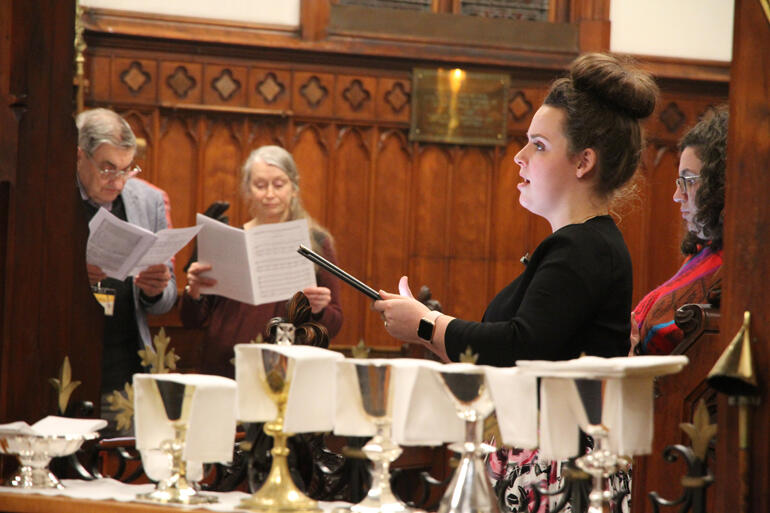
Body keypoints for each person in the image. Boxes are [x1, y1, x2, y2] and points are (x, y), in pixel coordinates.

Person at [374, 53, 658, 367]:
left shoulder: (585, 247)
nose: (519, 157)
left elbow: (520, 348)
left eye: (539, 145)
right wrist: (426, 323)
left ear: (583, 162)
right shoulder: (583, 243)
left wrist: (427, 325)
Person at [180, 145, 343, 377]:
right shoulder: (228, 240)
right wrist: (193, 292)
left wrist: (318, 310)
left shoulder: (315, 243)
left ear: (294, 188)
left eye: (278, 185)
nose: (269, 194)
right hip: (225, 365)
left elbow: (334, 324)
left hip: (284, 368)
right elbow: (192, 320)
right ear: (247, 190)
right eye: (259, 185)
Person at [76, 108, 177, 413]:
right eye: (108, 169)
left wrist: (155, 290)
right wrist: (74, 276)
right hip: (63, 362)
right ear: (79, 156)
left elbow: (167, 299)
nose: (118, 181)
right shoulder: (49, 196)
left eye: (127, 168)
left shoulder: (149, 200)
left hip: (125, 371)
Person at [631, 106, 727, 355]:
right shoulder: (703, 252)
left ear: (720, 184)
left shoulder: (736, 265)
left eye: (688, 180)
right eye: (678, 182)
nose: (677, 196)